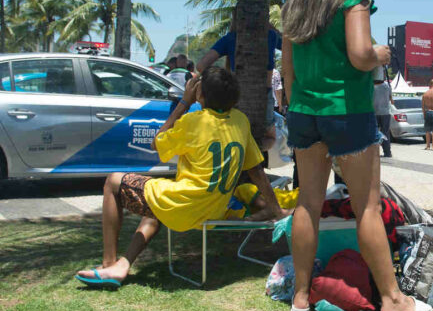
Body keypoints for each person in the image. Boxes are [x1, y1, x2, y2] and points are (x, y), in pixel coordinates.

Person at [280, 0, 431, 311]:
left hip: (304, 111)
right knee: (367, 205)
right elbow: (361, 55)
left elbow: (288, 70)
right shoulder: (354, 0)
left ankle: (299, 296)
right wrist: (380, 53)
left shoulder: (296, 5)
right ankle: (393, 301)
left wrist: (299, 108)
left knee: (307, 203)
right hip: (346, 111)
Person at [74, 68, 285, 288]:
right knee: (156, 207)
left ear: (200, 94)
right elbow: (256, 171)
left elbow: (157, 143)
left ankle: (108, 263)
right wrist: (276, 210)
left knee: (113, 182)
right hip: (213, 209)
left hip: (186, 205)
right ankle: (123, 265)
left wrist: (184, 102)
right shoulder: (240, 121)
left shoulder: (194, 121)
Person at [373, 66, 393, 158]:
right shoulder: (387, 86)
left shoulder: (370, 86)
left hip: (374, 113)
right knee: (385, 132)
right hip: (385, 113)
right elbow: (391, 100)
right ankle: (387, 152)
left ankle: (374, 152)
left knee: (374, 132)